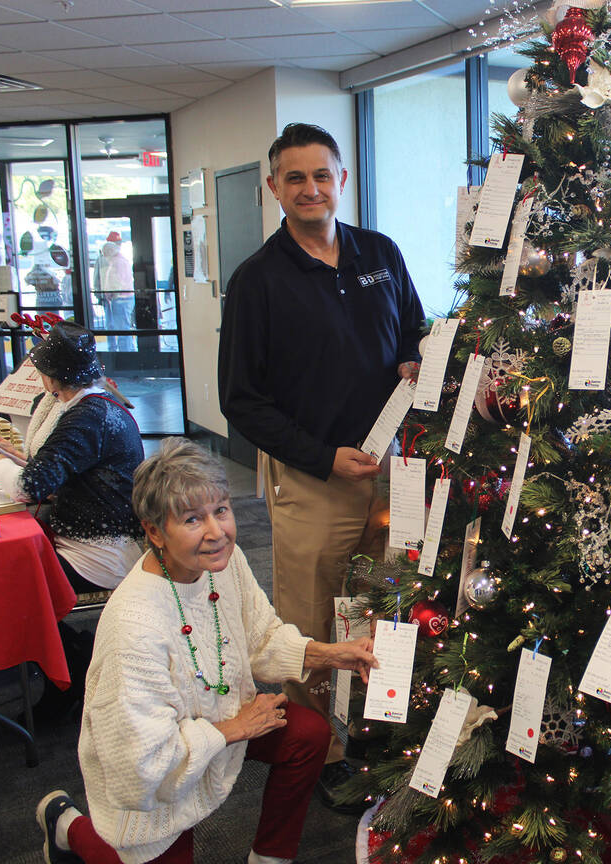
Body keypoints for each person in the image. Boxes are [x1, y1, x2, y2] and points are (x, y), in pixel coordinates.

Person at [34, 437, 379, 864]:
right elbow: (140, 769)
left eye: (221, 510)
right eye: (193, 519)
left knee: (308, 735)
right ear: (154, 531)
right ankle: (67, 826)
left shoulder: (223, 562)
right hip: (155, 778)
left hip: (218, 723)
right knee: (140, 846)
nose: (217, 532)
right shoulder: (134, 627)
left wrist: (332, 654)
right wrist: (232, 730)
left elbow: (261, 636)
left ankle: (270, 855)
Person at [217, 122, 424, 809]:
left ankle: (379, 726)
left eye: (322, 175)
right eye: (295, 177)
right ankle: (321, 749)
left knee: (385, 602)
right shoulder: (258, 281)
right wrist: (320, 456)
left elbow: (415, 333)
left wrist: (418, 359)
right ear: (275, 188)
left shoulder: (380, 253)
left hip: (394, 471)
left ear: (341, 180)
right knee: (310, 621)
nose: (311, 188)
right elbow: (241, 401)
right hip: (312, 481)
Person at [0, 321, 144, 719]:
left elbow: (27, 488)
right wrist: (12, 457)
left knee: (13, 593)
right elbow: (56, 473)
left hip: (101, 554)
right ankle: (72, 663)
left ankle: (72, 670)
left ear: (51, 377)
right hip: (94, 540)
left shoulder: (86, 418)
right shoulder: (91, 407)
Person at [94, 232, 135, 352]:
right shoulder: (115, 259)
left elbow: (117, 282)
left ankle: (123, 352)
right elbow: (99, 278)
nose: (119, 245)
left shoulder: (117, 261)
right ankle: (124, 350)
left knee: (118, 328)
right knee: (116, 327)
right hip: (114, 298)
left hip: (117, 298)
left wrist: (104, 294)